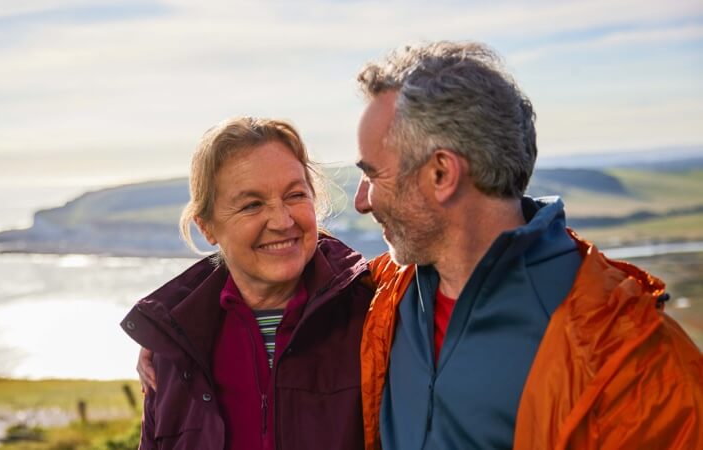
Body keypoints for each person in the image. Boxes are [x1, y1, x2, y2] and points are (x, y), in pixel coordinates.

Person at [353, 41, 703, 449]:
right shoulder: (384, 294)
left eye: (374, 176)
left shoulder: (633, 360)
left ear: (441, 174)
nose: (362, 201)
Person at [120, 117, 371, 450]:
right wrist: (168, 336)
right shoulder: (175, 351)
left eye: (295, 195)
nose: (282, 221)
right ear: (207, 227)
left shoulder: (376, 314)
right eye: (252, 204)